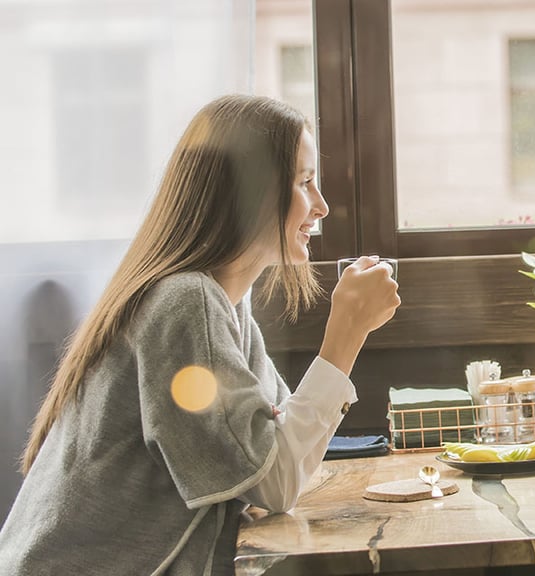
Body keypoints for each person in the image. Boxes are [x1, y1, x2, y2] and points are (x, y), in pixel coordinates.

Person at [0, 95, 400, 575]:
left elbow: (280, 456)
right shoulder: (185, 303)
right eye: (305, 183)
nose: (322, 206)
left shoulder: (222, 306)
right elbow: (275, 484)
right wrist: (347, 333)